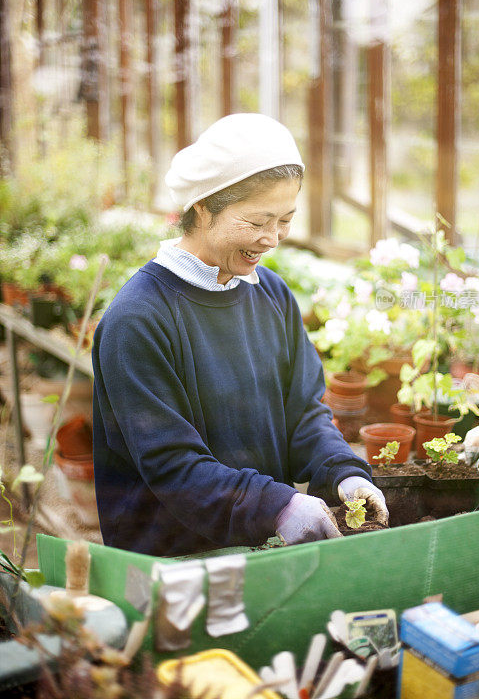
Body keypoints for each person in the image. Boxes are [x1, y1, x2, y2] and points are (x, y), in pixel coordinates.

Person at [92, 113, 388, 556]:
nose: (272, 238)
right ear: (202, 208)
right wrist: (279, 507)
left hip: (263, 547)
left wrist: (344, 470)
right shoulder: (138, 320)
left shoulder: (270, 295)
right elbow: (174, 466)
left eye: (285, 220)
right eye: (256, 222)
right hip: (176, 562)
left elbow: (304, 412)